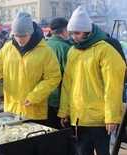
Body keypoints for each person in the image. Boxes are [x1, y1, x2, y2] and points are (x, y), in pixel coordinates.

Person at [0, 12, 61, 124]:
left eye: (23, 36)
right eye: (16, 36)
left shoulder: (45, 51)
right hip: (12, 111)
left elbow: (53, 78)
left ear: (31, 32)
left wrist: (35, 96)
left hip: (34, 112)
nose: (20, 39)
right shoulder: (8, 49)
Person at [57, 6, 126, 155]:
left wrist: (112, 117)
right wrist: (64, 110)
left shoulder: (105, 50)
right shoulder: (72, 51)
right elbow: (67, 84)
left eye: (77, 33)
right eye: (72, 33)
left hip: (100, 119)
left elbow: (112, 86)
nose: (74, 37)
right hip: (79, 118)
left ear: (87, 31)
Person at [46, 18, 71, 129]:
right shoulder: (65, 48)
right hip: (59, 101)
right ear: (64, 31)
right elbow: (70, 77)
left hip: (45, 98)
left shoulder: (44, 46)